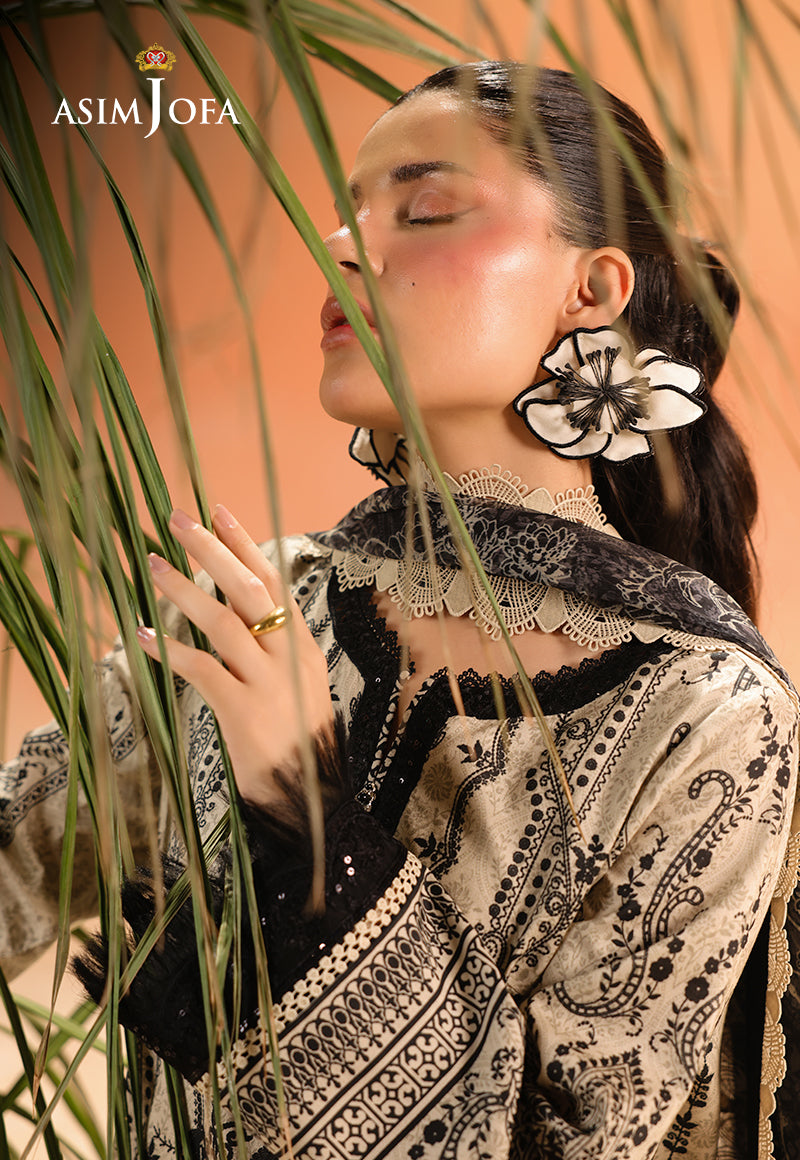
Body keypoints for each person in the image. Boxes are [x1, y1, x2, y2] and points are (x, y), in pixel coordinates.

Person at [2, 61, 799, 1159]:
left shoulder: (704, 706)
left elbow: (580, 1137)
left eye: (423, 210)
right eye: (347, 210)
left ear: (592, 289)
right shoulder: (253, 608)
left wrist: (303, 812)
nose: (339, 242)